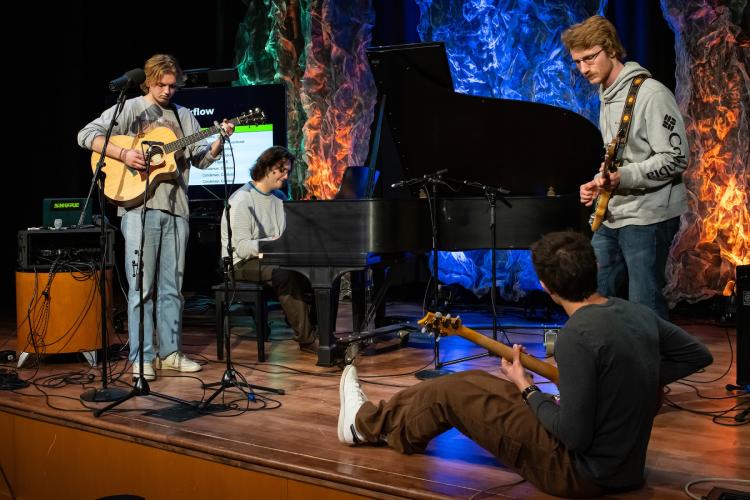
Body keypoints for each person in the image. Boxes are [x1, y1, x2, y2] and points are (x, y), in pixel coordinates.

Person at [337, 230, 712, 497]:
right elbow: (699, 355)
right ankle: (389, 428)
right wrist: (631, 381)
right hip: (624, 470)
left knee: (451, 392)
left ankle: (361, 425)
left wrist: (526, 385)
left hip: (579, 475)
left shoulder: (576, 336)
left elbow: (574, 437)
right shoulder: (638, 314)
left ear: (547, 287)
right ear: (594, 267)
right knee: (476, 385)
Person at [78, 54, 235, 381]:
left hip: (177, 210)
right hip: (137, 209)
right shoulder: (131, 109)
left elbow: (201, 161)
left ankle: (170, 354)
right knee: (141, 288)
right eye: (161, 84)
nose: (167, 91)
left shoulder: (184, 116)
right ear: (148, 81)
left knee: (172, 289)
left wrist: (218, 141)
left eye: (172, 85)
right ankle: (141, 357)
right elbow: (86, 134)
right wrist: (124, 153)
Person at [563, 16, 688, 319]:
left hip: (648, 215)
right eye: (578, 62)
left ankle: (654, 363)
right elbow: (618, 156)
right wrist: (598, 181)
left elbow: (676, 157)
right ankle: (609, 362)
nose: (583, 69)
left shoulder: (651, 94)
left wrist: (623, 177)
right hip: (614, 212)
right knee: (590, 291)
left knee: (644, 304)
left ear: (611, 50)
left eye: (589, 58)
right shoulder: (607, 95)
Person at [220, 146, 317, 352]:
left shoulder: (280, 197)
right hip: (241, 264)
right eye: (282, 170)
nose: (286, 175)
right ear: (267, 168)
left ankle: (319, 332)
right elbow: (243, 248)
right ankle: (307, 340)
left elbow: (287, 233)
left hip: (270, 257)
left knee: (315, 270)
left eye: (288, 171)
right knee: (284, 274)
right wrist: (272, 244)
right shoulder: (241, 200)